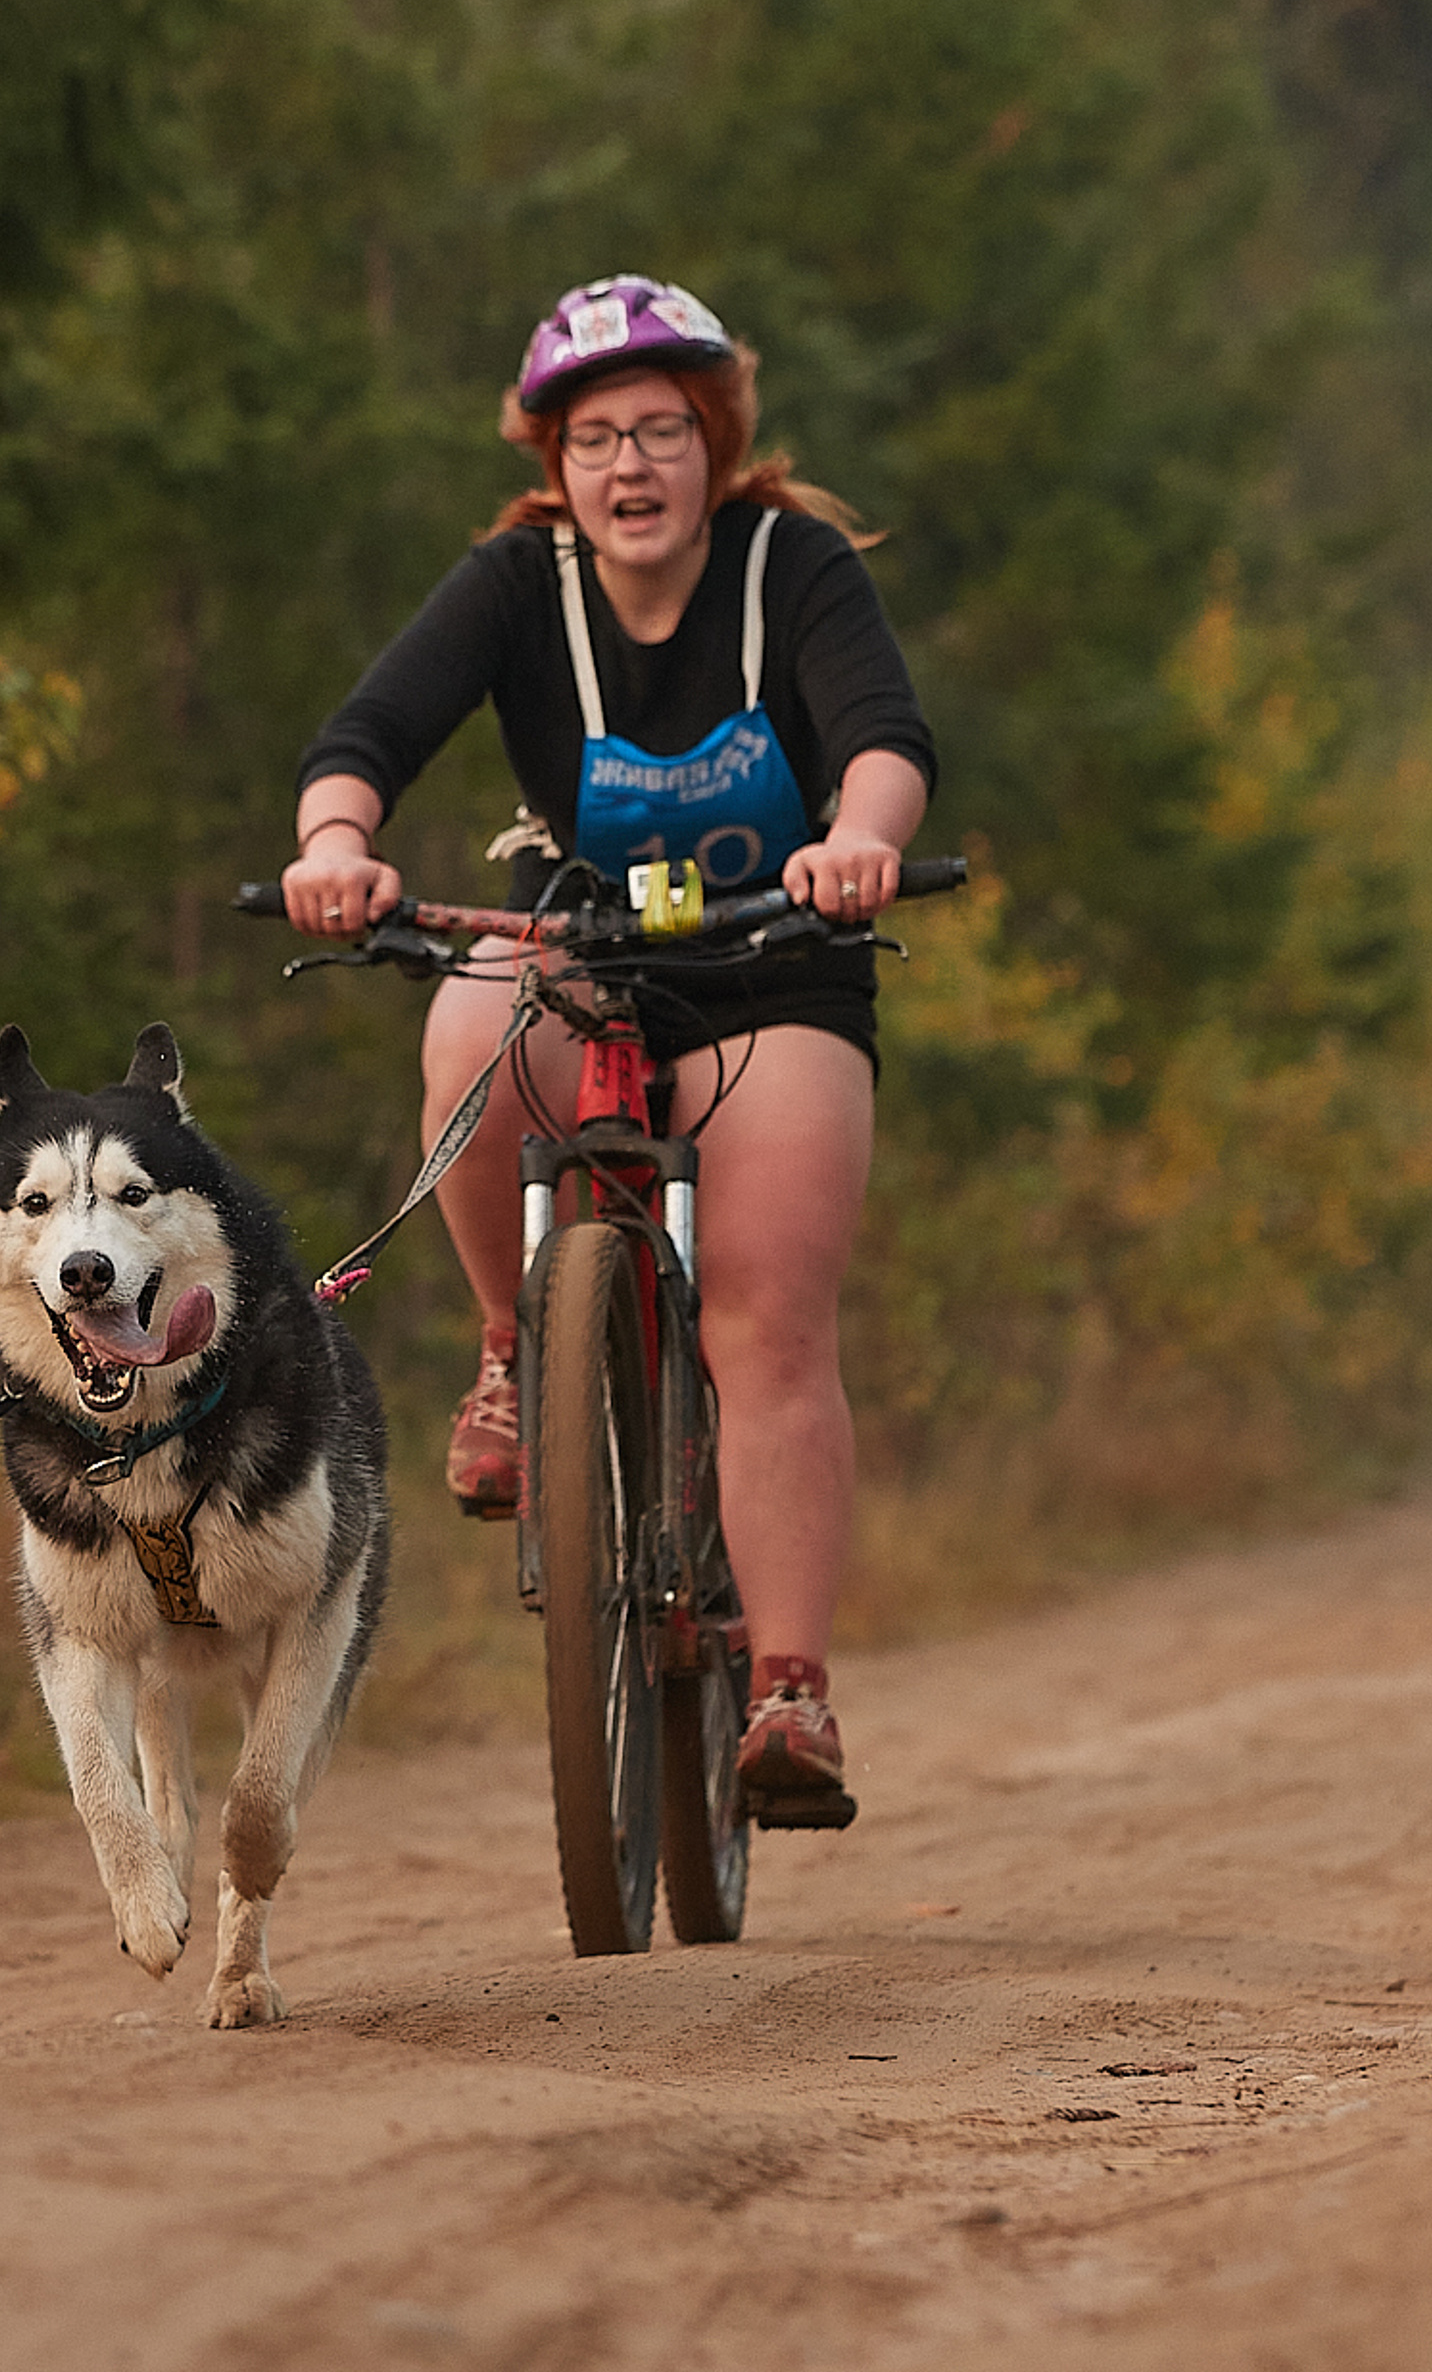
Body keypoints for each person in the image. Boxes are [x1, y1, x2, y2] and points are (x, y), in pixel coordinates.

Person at [280, 274, 935, 1802]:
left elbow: (885, 738)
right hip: (574, 948)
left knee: (766, 1322)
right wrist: (335, 843)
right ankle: (514, 1357)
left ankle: (788, 1693)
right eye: (593, 440)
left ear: (714, 444)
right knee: (467, 1023)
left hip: (779, 963)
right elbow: (363, 740)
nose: (629, 466)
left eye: (659, 430)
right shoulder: (517, 586)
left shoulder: (796, 567)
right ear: (553, 466)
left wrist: (860, 839)